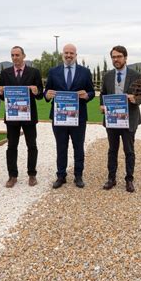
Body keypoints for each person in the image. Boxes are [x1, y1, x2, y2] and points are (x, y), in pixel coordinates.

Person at [45, 43, 95, 189]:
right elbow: (47, 91)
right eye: (66, 53)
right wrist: (47, 95)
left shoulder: (85, 72)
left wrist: (87, 95)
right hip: (59, 117)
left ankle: (78, 176)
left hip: (78, 117)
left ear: (76, 55)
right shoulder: (54, 71)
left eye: (71, 53)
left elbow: (91, 92)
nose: (68, 55)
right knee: (61, 147)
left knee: (78, 147)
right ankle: (61, 176)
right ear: (62, 54)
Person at [100, 45, 141, 193]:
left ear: (125, 58)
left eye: (119, 56)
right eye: (113, 57)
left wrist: (134, 98)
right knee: (112, 150)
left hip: (129, 119)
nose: (116, 59)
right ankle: (111, 178)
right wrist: (102, 105)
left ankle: (129, 179)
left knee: (129, 151)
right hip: (112, 119)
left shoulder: (136, 75)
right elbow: (102, 94)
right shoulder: (107, 76)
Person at [0, 46, 44, 188]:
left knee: (32, 145)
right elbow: (3, 98)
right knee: (11, 146)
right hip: (12, 116)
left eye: (17, 55)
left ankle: (32, 174)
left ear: (24, 56)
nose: (15, 57)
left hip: (29, 116)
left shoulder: (34, 72)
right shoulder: (5, 73)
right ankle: (12, 175)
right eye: (12, 55)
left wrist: (37, 91)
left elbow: (41, 95)